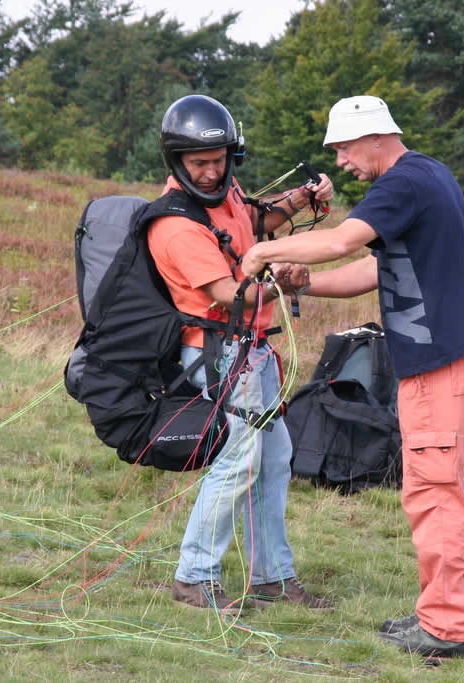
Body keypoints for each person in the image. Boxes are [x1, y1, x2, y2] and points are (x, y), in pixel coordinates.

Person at [241, 95, 464, 659]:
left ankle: (447, 628)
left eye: (344, 148)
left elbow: (340, 241)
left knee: (435, 492)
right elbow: (375, 269)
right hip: (446, 354)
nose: (341, 161)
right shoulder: (424, 176)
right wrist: (304, 284)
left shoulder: (404, 183)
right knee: (429, 487)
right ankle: (439, 613)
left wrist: (261, 251)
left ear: (375, 136)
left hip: (443, 360)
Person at [148, 94, 335, 616]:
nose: (211, 172)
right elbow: (231, 295)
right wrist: (283, 283)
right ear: (177, 161)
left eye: (219, 160)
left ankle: (271, 577)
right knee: (237, 460)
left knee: (273, 459)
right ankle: (194, 577)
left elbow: (250, 222)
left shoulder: (222, 191)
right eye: (199, 163)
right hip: (217, 353)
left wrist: (300, 199)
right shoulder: (175, 225)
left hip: (253, 351)